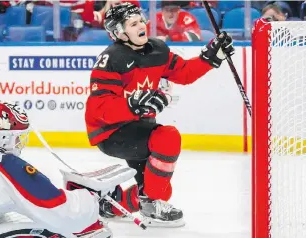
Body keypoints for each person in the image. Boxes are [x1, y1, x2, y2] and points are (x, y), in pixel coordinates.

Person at [85, 2, 234, 226]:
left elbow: (184, 73)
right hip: (111, 132)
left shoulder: (157, 50)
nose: (141, 26)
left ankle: (111, 205)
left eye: (141, 20)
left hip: (138, 126)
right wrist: (132, 104)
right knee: (167, 137)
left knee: (160, 187)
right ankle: (150, 204)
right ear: (119, 32)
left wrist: (211, 56)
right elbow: (99, 109)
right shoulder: (111, 60)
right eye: (133, 24)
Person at [0, 101, 116, 238]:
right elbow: (60, 209)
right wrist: (92, 198)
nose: (21, 143)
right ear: (5, 138)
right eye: (19, 138)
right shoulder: (12, 168)